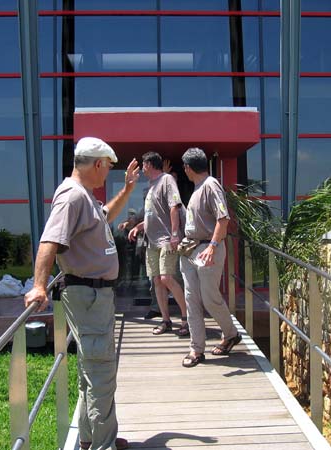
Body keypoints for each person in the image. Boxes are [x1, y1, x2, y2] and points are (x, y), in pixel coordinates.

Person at [24, 137, 139, 450]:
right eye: (108, 169)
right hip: (89, 296)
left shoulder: (84, 197)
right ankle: (104, 445)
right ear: (98, 164)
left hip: (94, 296)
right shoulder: (73, 197)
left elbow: (105, 216)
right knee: (101, 370)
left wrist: (127, 190)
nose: (107, 175)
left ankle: (90, 437)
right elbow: (50, 240)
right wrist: (38, 285)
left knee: (92, 368)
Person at [179, 147, 241, 368]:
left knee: (209, 298)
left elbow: (222, 218)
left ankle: (231, 333)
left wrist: (213, 246)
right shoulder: (197, 188)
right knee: (191, 299)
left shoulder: (210, 185)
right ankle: (196, 350)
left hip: (207, 249)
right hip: (189, 250)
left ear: (188, 168)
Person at [128, 152, 189, 337]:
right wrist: (138, 227)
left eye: (143, 164)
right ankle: (166, 320)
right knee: (156, 280)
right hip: (151, 241)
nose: (141, 168)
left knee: (166, 278)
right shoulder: (151, 185)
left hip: (166, 239)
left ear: (149, 164)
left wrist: (175, 233)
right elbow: (152, 215)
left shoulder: (166, 179)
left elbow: (174, 206)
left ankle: (187, 319)